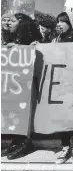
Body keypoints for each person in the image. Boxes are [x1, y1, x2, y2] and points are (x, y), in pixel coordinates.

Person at [1, 13, 42, 160]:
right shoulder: (11, 37)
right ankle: (16, 141)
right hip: (14, 84)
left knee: (25, 112)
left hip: (27, 84)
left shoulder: (33, 41)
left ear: (22, 24)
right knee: (14, 112)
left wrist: (19, 48)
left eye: (12, 21)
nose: (8, 23)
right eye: (7, 21)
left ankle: (25, 142)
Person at [52, 12, 73, 166]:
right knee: (61, 118)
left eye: (63, 22)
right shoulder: (56, 39)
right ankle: (65, 148)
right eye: (58, 21)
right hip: (58, 83)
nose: (59, 24)